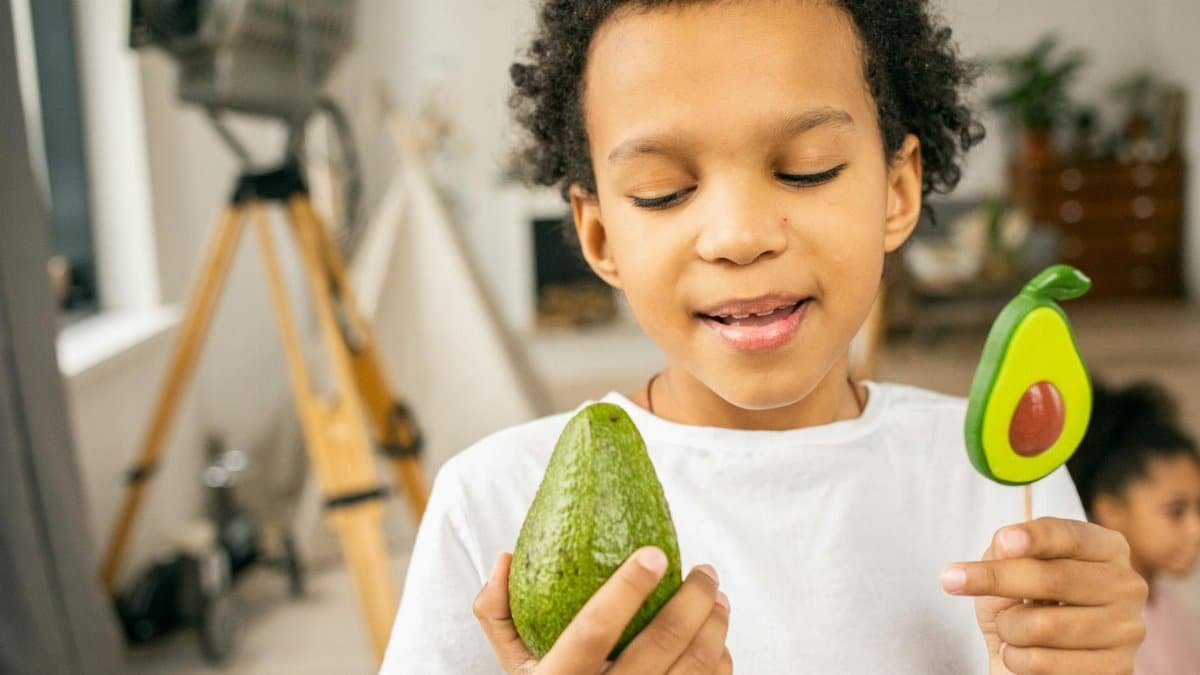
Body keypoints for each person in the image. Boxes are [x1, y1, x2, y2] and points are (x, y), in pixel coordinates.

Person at [380, 2, 1147, 672]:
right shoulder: (488, 506)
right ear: (599, 234)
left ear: (898, 189)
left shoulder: (1005, 476)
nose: (739, 237)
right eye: (664, 191)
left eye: (807, 170)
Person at [1068, 380, 1200, 675]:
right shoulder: (1084, 622)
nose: (1196, 530)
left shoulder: (1170, 608)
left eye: (1199, 508)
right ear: (1111, 510)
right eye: (1176, 511)